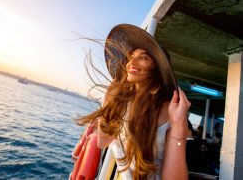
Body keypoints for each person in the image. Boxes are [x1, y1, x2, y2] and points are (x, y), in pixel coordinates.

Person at [75, 24, 191, 180]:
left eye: (143, 57)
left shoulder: (169, 112)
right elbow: (102, 143)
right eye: (130, 57)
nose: (131, 63)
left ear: (157, 69)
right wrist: (108, 100)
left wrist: (178, 125)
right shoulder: (123, 102)